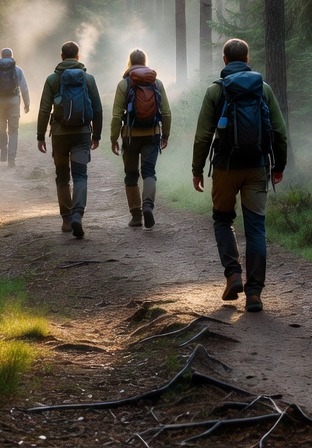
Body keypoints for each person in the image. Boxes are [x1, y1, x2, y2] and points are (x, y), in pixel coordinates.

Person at [192, 38, 288, 313]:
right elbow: (279, 132)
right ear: (248, 59)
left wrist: (197, 170)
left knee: (222, 219)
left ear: (224, 60)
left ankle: (233, 275)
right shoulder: (263, 89)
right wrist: (278, 166)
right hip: (257, 167)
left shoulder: (215, 91)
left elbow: (202, 136)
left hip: (224, 168)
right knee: (255, 228)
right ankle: (255, 294)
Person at [37, 40, 103, 238]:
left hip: (59, 135)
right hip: (82, 134)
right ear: (78, 56)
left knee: (63, 176)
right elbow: (98, 109)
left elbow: (44, 109)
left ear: (61, 56)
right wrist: (97, 135)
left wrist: (40, 135)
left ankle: (66, 218)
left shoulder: (52, 79)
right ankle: (77, 214)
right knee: (81, 175)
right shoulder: (88, 79)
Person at [109, 49, 172, 229]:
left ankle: (136, 216)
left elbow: (116, 116)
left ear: (129, 62)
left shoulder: (124, 84)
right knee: (149, 172)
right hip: (152, 134)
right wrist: (165, 134)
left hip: (129, 137)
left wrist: (114, 138)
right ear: (145, 62)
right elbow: (166, 112)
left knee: (131, 175)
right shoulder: (156, 83)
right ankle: (148, 205)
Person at [0, 48, 30, 167]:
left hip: (0, 102)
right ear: (11, 56)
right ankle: (11, 160)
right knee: (13, 131)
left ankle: (3, 148)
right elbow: (24, 88)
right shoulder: (18, 70)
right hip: (14, 102)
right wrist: (27, 104)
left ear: (1, 56)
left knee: (1, 128)